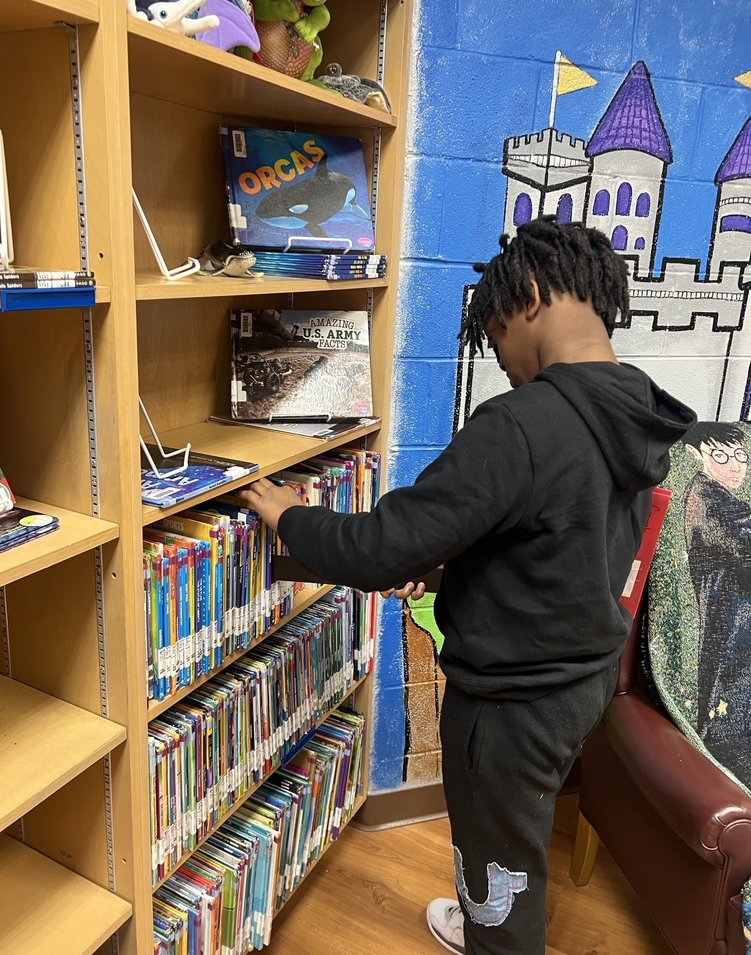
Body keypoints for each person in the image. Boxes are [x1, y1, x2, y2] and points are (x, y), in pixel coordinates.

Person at [236, 216, 696, 955]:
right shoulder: (632, 408)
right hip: (577, 684)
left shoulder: (521, 424)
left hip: (510, 705)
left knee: (494, 859)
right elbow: (560, 540)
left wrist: (291, 517)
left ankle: (494, 928)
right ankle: (493, 905)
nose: (502, 360)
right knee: (515, 835)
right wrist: (451, 561)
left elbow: (381, 549)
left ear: (533, 296)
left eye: (496, 335)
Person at [683, 421, 751, 782]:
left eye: (740, 455)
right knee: (731, 739)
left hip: (735, 637)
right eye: (721, 456)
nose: (735, 464)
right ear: (698, 456)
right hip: (732, 640)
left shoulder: (720, 500)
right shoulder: (710, 501)